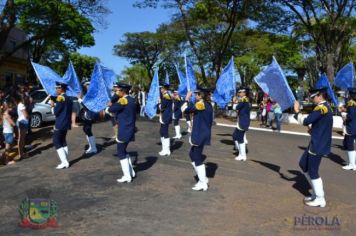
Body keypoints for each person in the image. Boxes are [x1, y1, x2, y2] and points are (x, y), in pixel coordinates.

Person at [294, 87, 332, 207]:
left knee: (313, 170)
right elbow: (322, 124)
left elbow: (305, 121)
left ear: (320, 95)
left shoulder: (322, 107)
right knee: (303, 164)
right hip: (316, 141)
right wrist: (314, 130)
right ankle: (316, 193)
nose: (312, 99)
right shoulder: (323, 107)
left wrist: (296, 111)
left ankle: (320, 198)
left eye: (313, 97)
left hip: (319, 144)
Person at [182, 88, 213, 191]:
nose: (195, 96)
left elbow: (185, 110)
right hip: (201, 133)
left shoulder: (201, 104)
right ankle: (202, 178)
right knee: (192, 154)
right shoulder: (204, 104)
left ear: (201, 95)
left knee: (197, 157)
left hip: (200, 134)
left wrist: (187, 98)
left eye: (196, 94)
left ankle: (203, 182)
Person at [107, 83, 136, 183]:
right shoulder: (131, 99)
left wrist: (111, 101)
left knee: (120, 152)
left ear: (123, 91)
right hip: (129, 128)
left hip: (124, 129)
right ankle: (131, 172)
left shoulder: (123, 101)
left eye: (118, 90)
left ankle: (127, 176)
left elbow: (110, 109)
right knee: (123, 151)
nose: (116, 92)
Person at [50, 81, 73, 169]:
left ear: (61, 89)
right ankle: (65, 161)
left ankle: (64, 162)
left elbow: (55, 112)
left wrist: (52, 106)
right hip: (66, 122)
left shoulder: (60, 98)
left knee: (56, 141)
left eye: (57, 88)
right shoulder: (68, 98)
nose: (56, 89)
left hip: (60, 122)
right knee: (63, 141)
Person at [232, 87, 250, 161]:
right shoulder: (244, 99)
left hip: (243, 121)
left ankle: (242, 155)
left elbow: (236, 107)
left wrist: (235, 102)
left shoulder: (243, 100)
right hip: (242, 120)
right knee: (235, 136)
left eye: (240, 92)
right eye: (239, 92)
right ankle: (241, 154)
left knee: (238, 137)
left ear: (244, 93)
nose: (239, 94)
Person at [340, 87, 356, 170]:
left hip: (351, 127)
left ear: (350, 94)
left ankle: (352, 165)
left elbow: (351, 115)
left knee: (350, 146)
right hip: (354, 127)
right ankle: (352, 163)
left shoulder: (352, 103)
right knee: (350, 146)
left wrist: (344, 115)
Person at [82, 81, 98, 154]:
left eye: (88, 85)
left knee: (88, 130)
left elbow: (87, 104)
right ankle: (91, 146)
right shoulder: (87, 93)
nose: (86, 86)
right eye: (86, 85)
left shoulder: (92, 94)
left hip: (91, 114)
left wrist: (80, 99)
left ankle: (93, 148)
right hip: (87, 114)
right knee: (85, 129)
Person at [158, 83, 172, 156]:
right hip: (165, 116)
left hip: (166, 116)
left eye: (161, 88)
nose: (160, 90)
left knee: (164, 132)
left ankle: (167, 150)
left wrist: (159, 103)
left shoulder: (166, 96)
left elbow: (162, 107)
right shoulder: (166, 95)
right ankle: (164, 149)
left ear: (164, 88)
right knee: (162, 132)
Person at [14, 94, 29, 159]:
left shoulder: (19, 105)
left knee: (21, 138)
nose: (25, 99)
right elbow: (26, 115)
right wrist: (29, 116)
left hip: (21, 122)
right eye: (24, 97)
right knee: (21, 139)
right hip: (23, 122)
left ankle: (21, 153)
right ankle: (21, 154)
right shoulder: (22, 105)